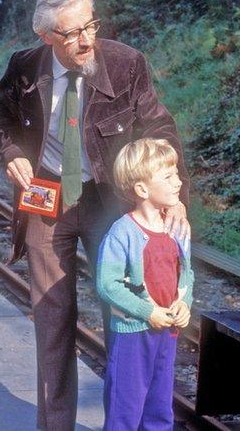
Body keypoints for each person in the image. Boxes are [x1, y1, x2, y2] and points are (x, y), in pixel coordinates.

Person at [0, 0, 190, 429]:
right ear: (46, 37)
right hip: (47, 197)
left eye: (91, 26)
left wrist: (173, 197)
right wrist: (12, 153)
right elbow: (2, 115)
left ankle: (124, 422)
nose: (86, 40)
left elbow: (160, 129)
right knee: (52, 316)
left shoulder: (126, 64)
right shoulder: (24, 66)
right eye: (71, 33)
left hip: (110, 202)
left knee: (124, 315)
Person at [96, 138, 194, 430]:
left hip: (168, 331)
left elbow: (187, 275)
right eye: (168, 177)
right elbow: (108, 284)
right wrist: (146, 312)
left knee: (160, 405)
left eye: (176, 173)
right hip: (133, 333)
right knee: (124, 407)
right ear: (141, 189)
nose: (178, 182)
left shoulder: (176, 228)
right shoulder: (122, 233)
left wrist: (184, 305)